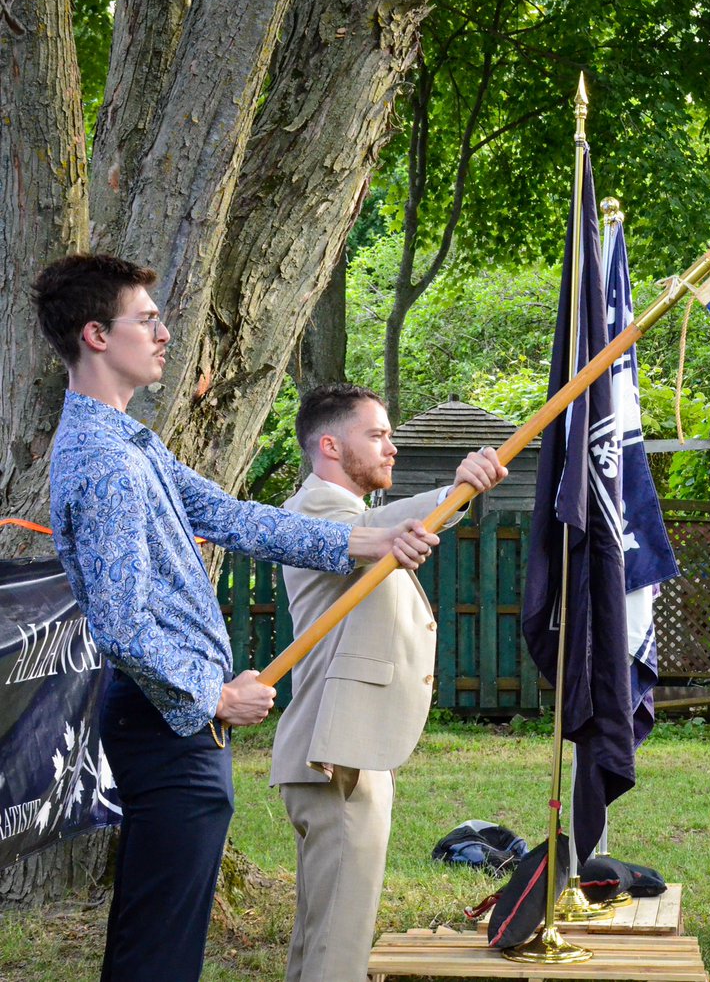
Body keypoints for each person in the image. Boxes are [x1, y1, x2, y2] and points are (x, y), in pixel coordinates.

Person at [32, 255, 438, 982]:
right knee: (159, 948)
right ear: (96, 334)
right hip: (168, 722)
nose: (163, 333)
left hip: (175, 721)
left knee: (160, 932)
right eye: (146, 319)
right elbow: (122, 626)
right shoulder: (105, 463)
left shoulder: (133, 443)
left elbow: (228, 516)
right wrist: (215, 696)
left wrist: (365, 539)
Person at [268, 383, 505, 982]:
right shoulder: (317, 510)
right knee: (339, 950)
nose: (391, 448)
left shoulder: (348, 515)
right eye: (375, 435)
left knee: (322, 936)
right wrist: (455, 491)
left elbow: (384, 524)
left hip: (341, 747)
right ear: (328, 445)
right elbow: (381, 527)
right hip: (336, 754)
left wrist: (460, 492)